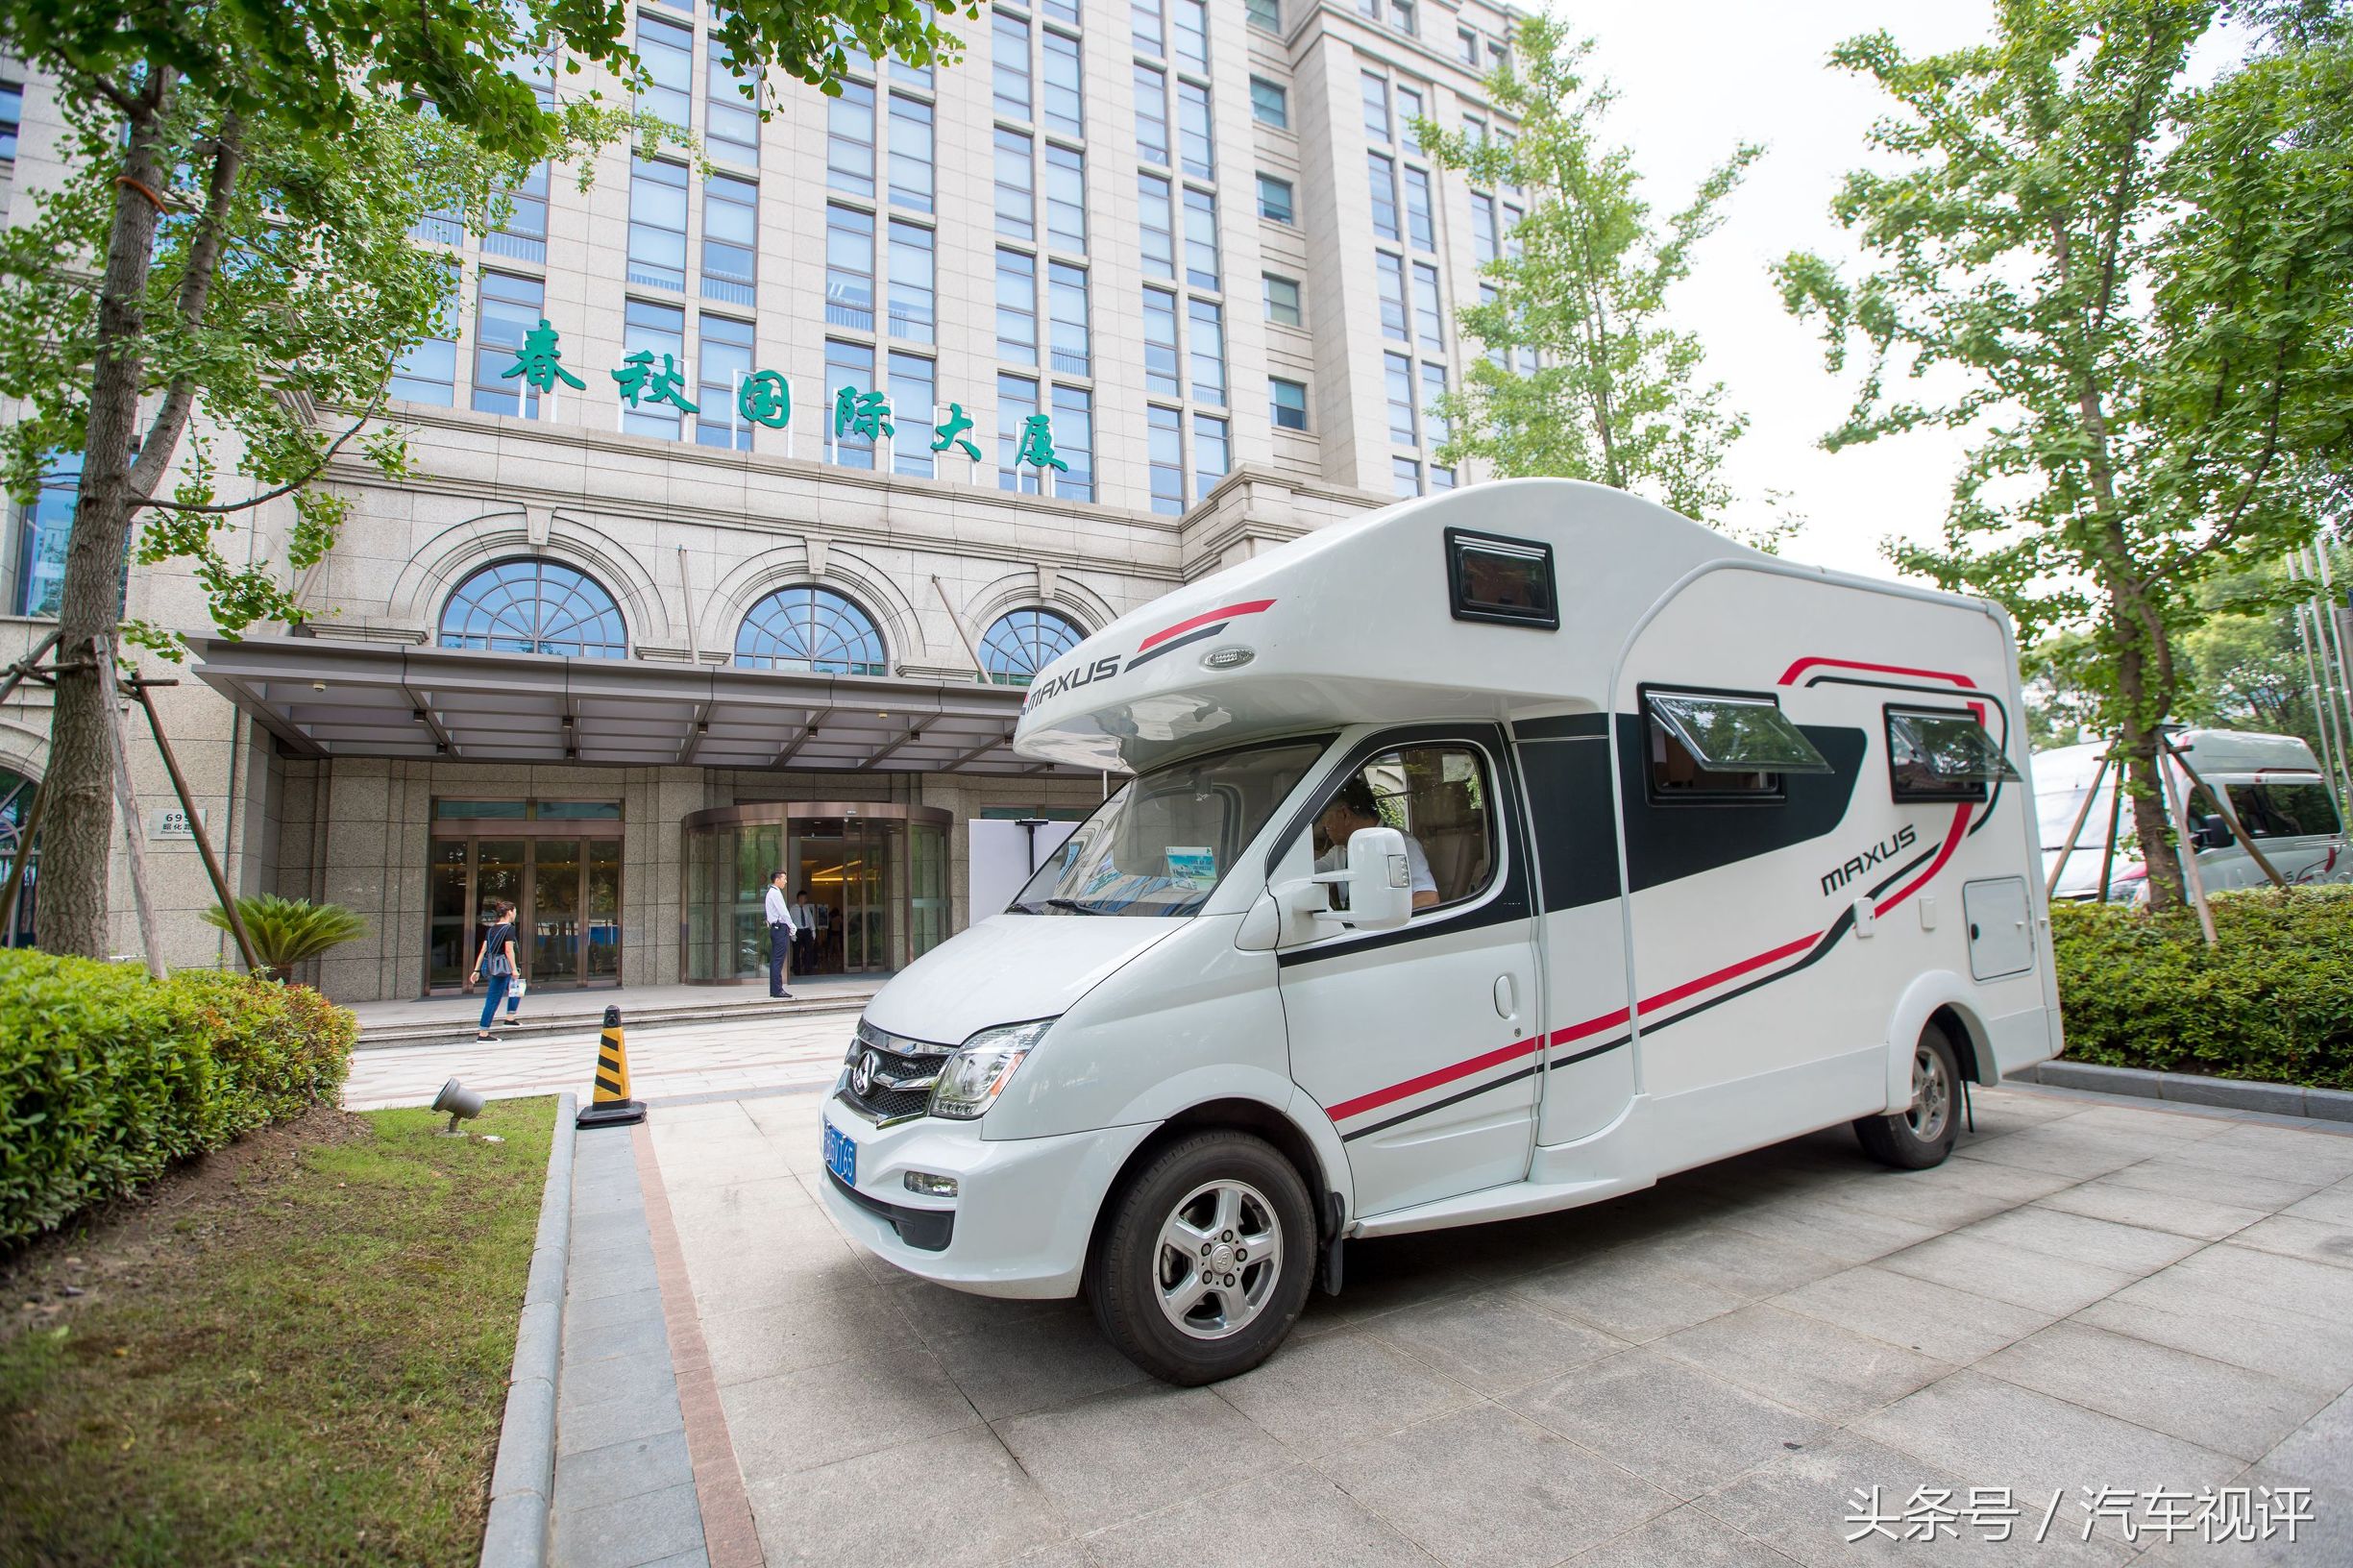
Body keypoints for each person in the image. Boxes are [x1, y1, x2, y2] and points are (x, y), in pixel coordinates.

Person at [1314, 774, 1439, 911]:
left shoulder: (1402, 843)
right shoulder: (1339, 850)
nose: (1323, 826)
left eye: (1324, 817)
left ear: (1345, 814)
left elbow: (1428, 897)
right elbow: (1312, 874)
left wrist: (1378, 913)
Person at [464, 900, 523, 1041]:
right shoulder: (509, 928)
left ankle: (510, 1018)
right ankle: (483, 1033)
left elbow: (484, 950)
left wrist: (476, 970)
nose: (515, 914)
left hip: (491, 966)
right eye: (514, 911)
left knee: (517, 989)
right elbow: (509, 950)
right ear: (509, 912)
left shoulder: (491, 929)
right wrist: (514, 970)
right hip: (501, 968)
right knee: (493, 999)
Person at [763, 869, 797, 998]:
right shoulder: (775, 893)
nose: (786, 881)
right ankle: (777, 990)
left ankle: (774, 989)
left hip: (776, 928)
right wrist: (791, 925)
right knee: (778, 960)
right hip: (779, 928)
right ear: (777, 880)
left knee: (775, 960)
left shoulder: (771, 892)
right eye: (784, 879)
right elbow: (783, 912)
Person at [792, 886, 819, 973]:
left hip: (806, 930)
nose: (805, 899)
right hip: (797, 931)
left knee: (809, 950)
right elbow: (790, 921)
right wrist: (792, 933)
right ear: (799, 898)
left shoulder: (806, 908)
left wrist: (813, 930)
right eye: (804, 898)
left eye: (806, 898)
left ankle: (808, 969)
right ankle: (797, 970)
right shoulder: (793, 909)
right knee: (796, 951)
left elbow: (810, 919)